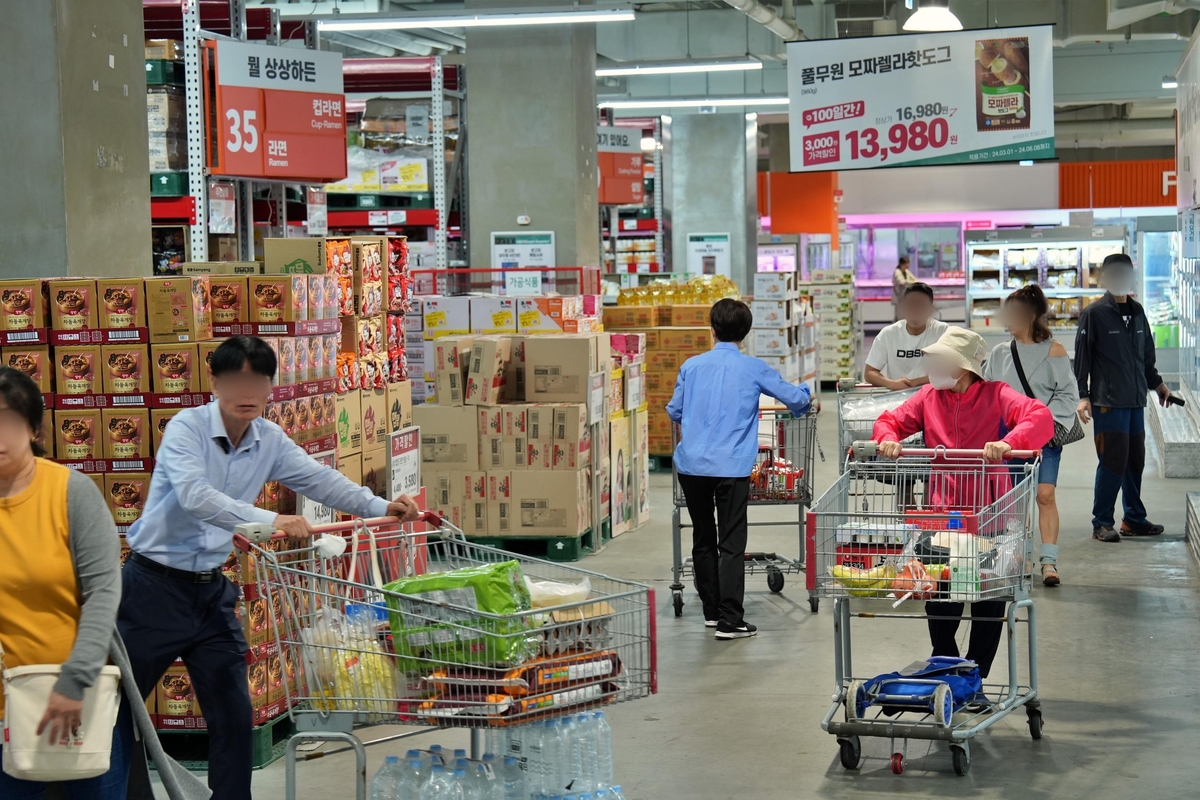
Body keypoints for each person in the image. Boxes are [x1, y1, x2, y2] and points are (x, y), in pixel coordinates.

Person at [120, 337, 421, 800]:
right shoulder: (188, 429)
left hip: (211, 592)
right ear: (216, 383)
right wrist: (269, 519)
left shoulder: (268, 439)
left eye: (257, 381)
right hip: (151, 589)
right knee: (117, 707)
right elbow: (194, 496)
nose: (248, 391)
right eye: (237, 380)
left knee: (234, 714)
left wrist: (381, 504)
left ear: (269, 386)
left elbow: (322, 481)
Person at [872, 327, 1053, 680]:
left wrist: (1009, 441)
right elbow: (889, 420)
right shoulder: (927, 397)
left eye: (941, 359)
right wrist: (888, 439)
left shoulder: (997, 394)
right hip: (942, 514)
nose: (933, 365)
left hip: (991, 513)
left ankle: (976, 672)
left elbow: (1040, 417)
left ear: (964, 367)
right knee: (939, 593)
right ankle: (946, 662)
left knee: (989, 596)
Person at [666, 299, 812, 640]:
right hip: (730, 466)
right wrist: (806, 394)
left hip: (691, 465)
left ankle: (711, 612)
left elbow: (675, 411)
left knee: (703, 536)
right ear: (745, 334)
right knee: (731, 541)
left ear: (712, 328)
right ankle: (731, 620)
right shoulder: (753, 368)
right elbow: (796, 400)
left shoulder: (691, 366)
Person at [984, 285, 1080, 586]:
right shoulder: (1000, 353)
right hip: (1007, 439)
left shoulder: (1054, 351)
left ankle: (1049, 561)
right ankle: (1020, 555)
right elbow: (987, 393)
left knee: (1044, 495)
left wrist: (1037, 425)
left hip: (1044, 437)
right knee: (1014, 500)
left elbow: (1067, 396)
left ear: (1032, 315)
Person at [1074, 253, 1172, 543]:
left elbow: (1146, 355)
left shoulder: (1138, 311)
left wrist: (1158, 384)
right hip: (1108, 402)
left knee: (1134, 461)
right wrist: (1083, 396)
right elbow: (1082, 359)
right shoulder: (1093, 314)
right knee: (1112, 461)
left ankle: (1133, 519)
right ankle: (1101, 522)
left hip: (1134, 401)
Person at [865, 282, 948, 390]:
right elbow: (869, 372)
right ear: (903, 307)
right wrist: (891, 384)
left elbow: (951, 372)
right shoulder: (888, 334)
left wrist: (916, 382)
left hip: (932, 397)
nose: (915, 311)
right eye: (911, 305)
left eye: (921, 306)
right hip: (898, 397)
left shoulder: (942, 331)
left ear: (930, 309)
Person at [892, 256, 916, 320]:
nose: (907, 265)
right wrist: (912, 282)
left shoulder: (906, 271)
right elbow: (902, 282)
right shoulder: (897, 272)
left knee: (905, 316)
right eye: (906, 263)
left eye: (908, 263)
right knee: (900, 316)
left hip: (906, 297)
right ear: (901, 264)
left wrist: (914, 282)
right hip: (899, 297)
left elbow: (915, 279)